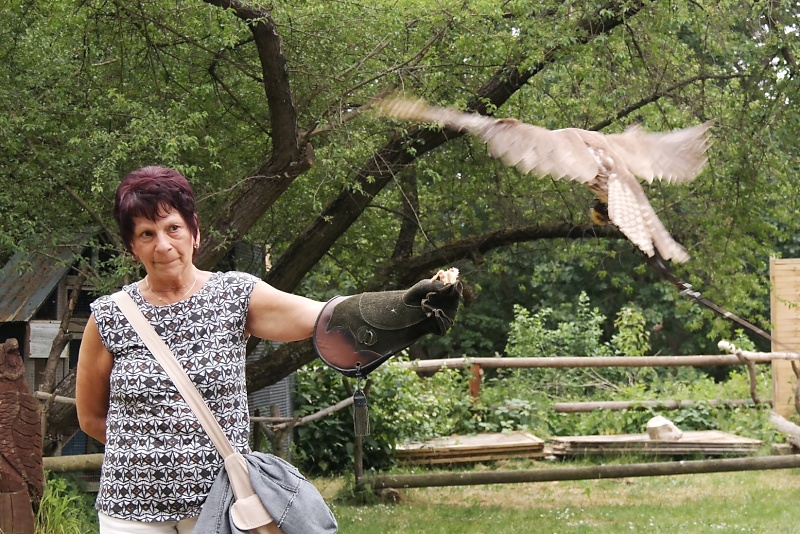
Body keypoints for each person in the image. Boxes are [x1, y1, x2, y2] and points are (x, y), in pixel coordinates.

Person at [75, 165, 460, 533]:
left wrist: (404, 307)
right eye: (146, 233)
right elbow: (91, 417)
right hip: (130, 510)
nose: (163, 245)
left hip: (223, 504)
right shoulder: (110, 316)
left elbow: (324, 316)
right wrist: (151, 453)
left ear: (194, 231)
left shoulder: (233, 295)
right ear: (132, 246)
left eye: (173, 227)